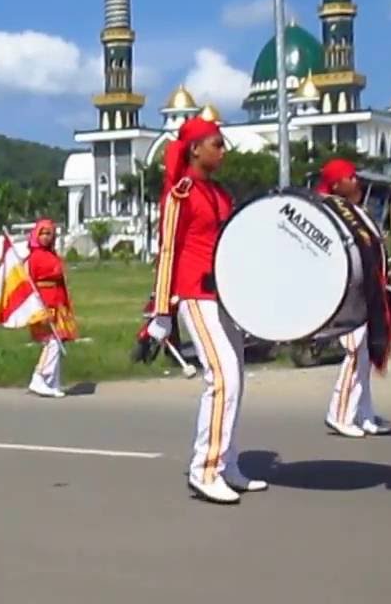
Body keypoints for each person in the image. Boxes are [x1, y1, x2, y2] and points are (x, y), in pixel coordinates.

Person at [146, 114, 265, 505]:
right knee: (222, 378)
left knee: (238, 380)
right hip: (194, 295)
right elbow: (167, 252)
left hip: (224, 297)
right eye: (217, 143)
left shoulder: (219, 194)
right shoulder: (180, 193)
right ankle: (205, 469)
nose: (223, 149)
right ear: (195, 148)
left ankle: (227, 462)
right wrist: (161, 311)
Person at [316, 158, 390, 438]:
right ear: (336, 185)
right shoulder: (329, 211)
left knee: (365, 353)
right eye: (349, 177)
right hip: (346, 293)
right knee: (355, 351)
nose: (356, 181)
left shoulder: (354, 211)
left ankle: (363, 413)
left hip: (364, 290)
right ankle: (340, 413)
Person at [26, 218, 78, 398]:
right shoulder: (34, 257)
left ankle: (53, 382)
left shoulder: (52, 254)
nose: (47, 237)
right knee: (52, 342)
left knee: (59, 340)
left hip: (58, 302)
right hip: (44, 303)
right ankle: (39, 376)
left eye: (50, 233)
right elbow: (30, 282)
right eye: (43, 233)